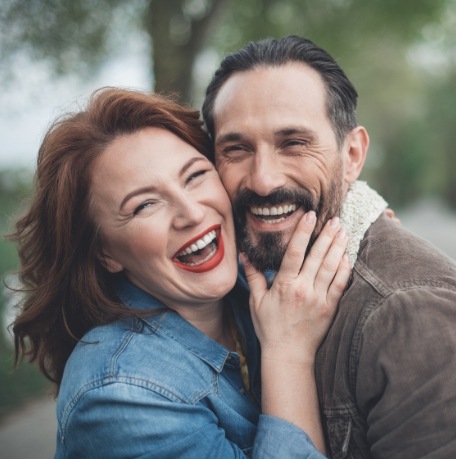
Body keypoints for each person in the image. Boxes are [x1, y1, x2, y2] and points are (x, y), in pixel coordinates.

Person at [10, 87, 351, 458]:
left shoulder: (252, 278)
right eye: (145, 205)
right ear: (105, 252)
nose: (191, 212)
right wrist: (287, 353)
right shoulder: (121, 394)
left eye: (194, 176)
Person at [202, 35, 456, 458]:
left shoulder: (410, 313)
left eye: (294, 143)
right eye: (236, 148)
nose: (264, 179)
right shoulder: (243, 273)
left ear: (352, 155)